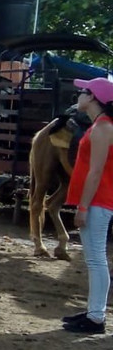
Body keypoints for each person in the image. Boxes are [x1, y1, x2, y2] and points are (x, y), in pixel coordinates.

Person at [61, 76, 113, 334]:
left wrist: (82, 207)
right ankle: (94, 312)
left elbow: (96, 172)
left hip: (98, 201)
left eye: (83, 91)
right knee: (94, 258)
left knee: (96, 259)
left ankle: (96, 318)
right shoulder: (99, 126)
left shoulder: (104, 127)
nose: (79, 95)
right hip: (97, 200)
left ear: (93, 96)